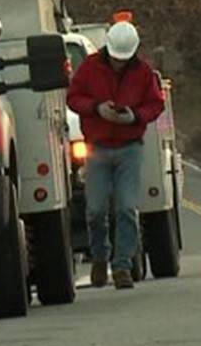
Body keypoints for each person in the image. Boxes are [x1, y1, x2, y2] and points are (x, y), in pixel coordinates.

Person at [66, 20, 165, 289]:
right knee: (96, 210)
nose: (119, 63)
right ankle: (99, 257)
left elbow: (156, 104)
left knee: (126, 208)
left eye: (124, 59)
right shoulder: (89, 67)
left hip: (129, 148)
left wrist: (135, 116)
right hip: (97, 148)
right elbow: (73, 97)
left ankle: (122, 266)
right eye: (115, 58)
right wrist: (97, 108)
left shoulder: (143, 73)